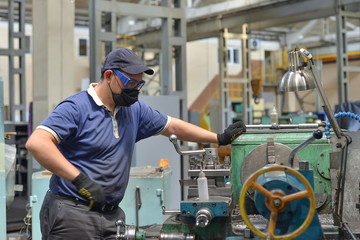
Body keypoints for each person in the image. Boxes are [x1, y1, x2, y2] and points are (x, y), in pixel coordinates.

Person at [25, 47, 246, 239]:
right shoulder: (77, 108)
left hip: (112, 215)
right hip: (72, 213)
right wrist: (80, 180)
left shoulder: (133, 110)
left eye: (139, 85)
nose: (134, 90)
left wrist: (218, 138)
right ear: (109, 76)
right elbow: (37, 143)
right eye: (130, 83)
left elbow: (173, 127)